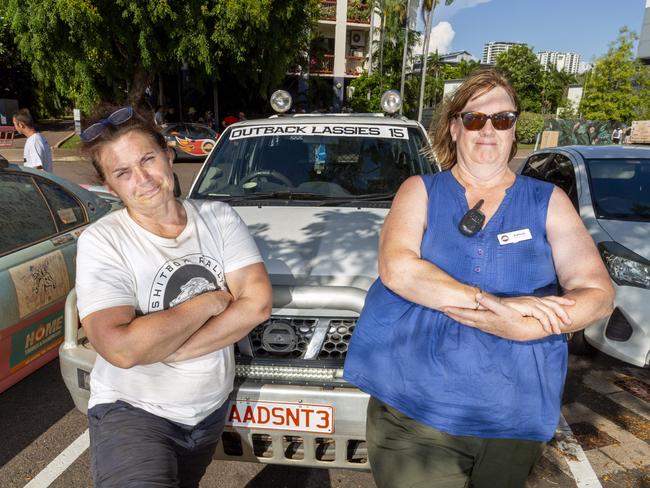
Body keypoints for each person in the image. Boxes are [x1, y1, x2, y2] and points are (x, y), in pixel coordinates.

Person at [344, 69, 614, 488]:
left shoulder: (549, 201)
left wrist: (527, 329)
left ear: (513, 129)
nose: (488, 130)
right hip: (416, 413)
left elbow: (597, 294)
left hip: (514, 415)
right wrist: (499, 307)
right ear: (454, 127)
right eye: (474, 119)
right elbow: (398, 269)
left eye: (502, 120)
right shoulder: (420, 190)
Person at [75, 106, 272, 487]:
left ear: (169, 157)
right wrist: (209, 302)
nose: (142, 178)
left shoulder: (218, 218)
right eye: (123, 173)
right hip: (133, 412)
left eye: (147, 159)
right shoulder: (103, 241)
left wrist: (175, 346)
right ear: (110, 187)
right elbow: (121, 348)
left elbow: (257, 302)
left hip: (207, 413)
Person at [12, 108, 53, 172]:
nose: (14, 127)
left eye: (14, 124)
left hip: (39, 182)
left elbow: (38, 169)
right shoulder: (38, 137)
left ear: (21, 125)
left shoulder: (33, 141)